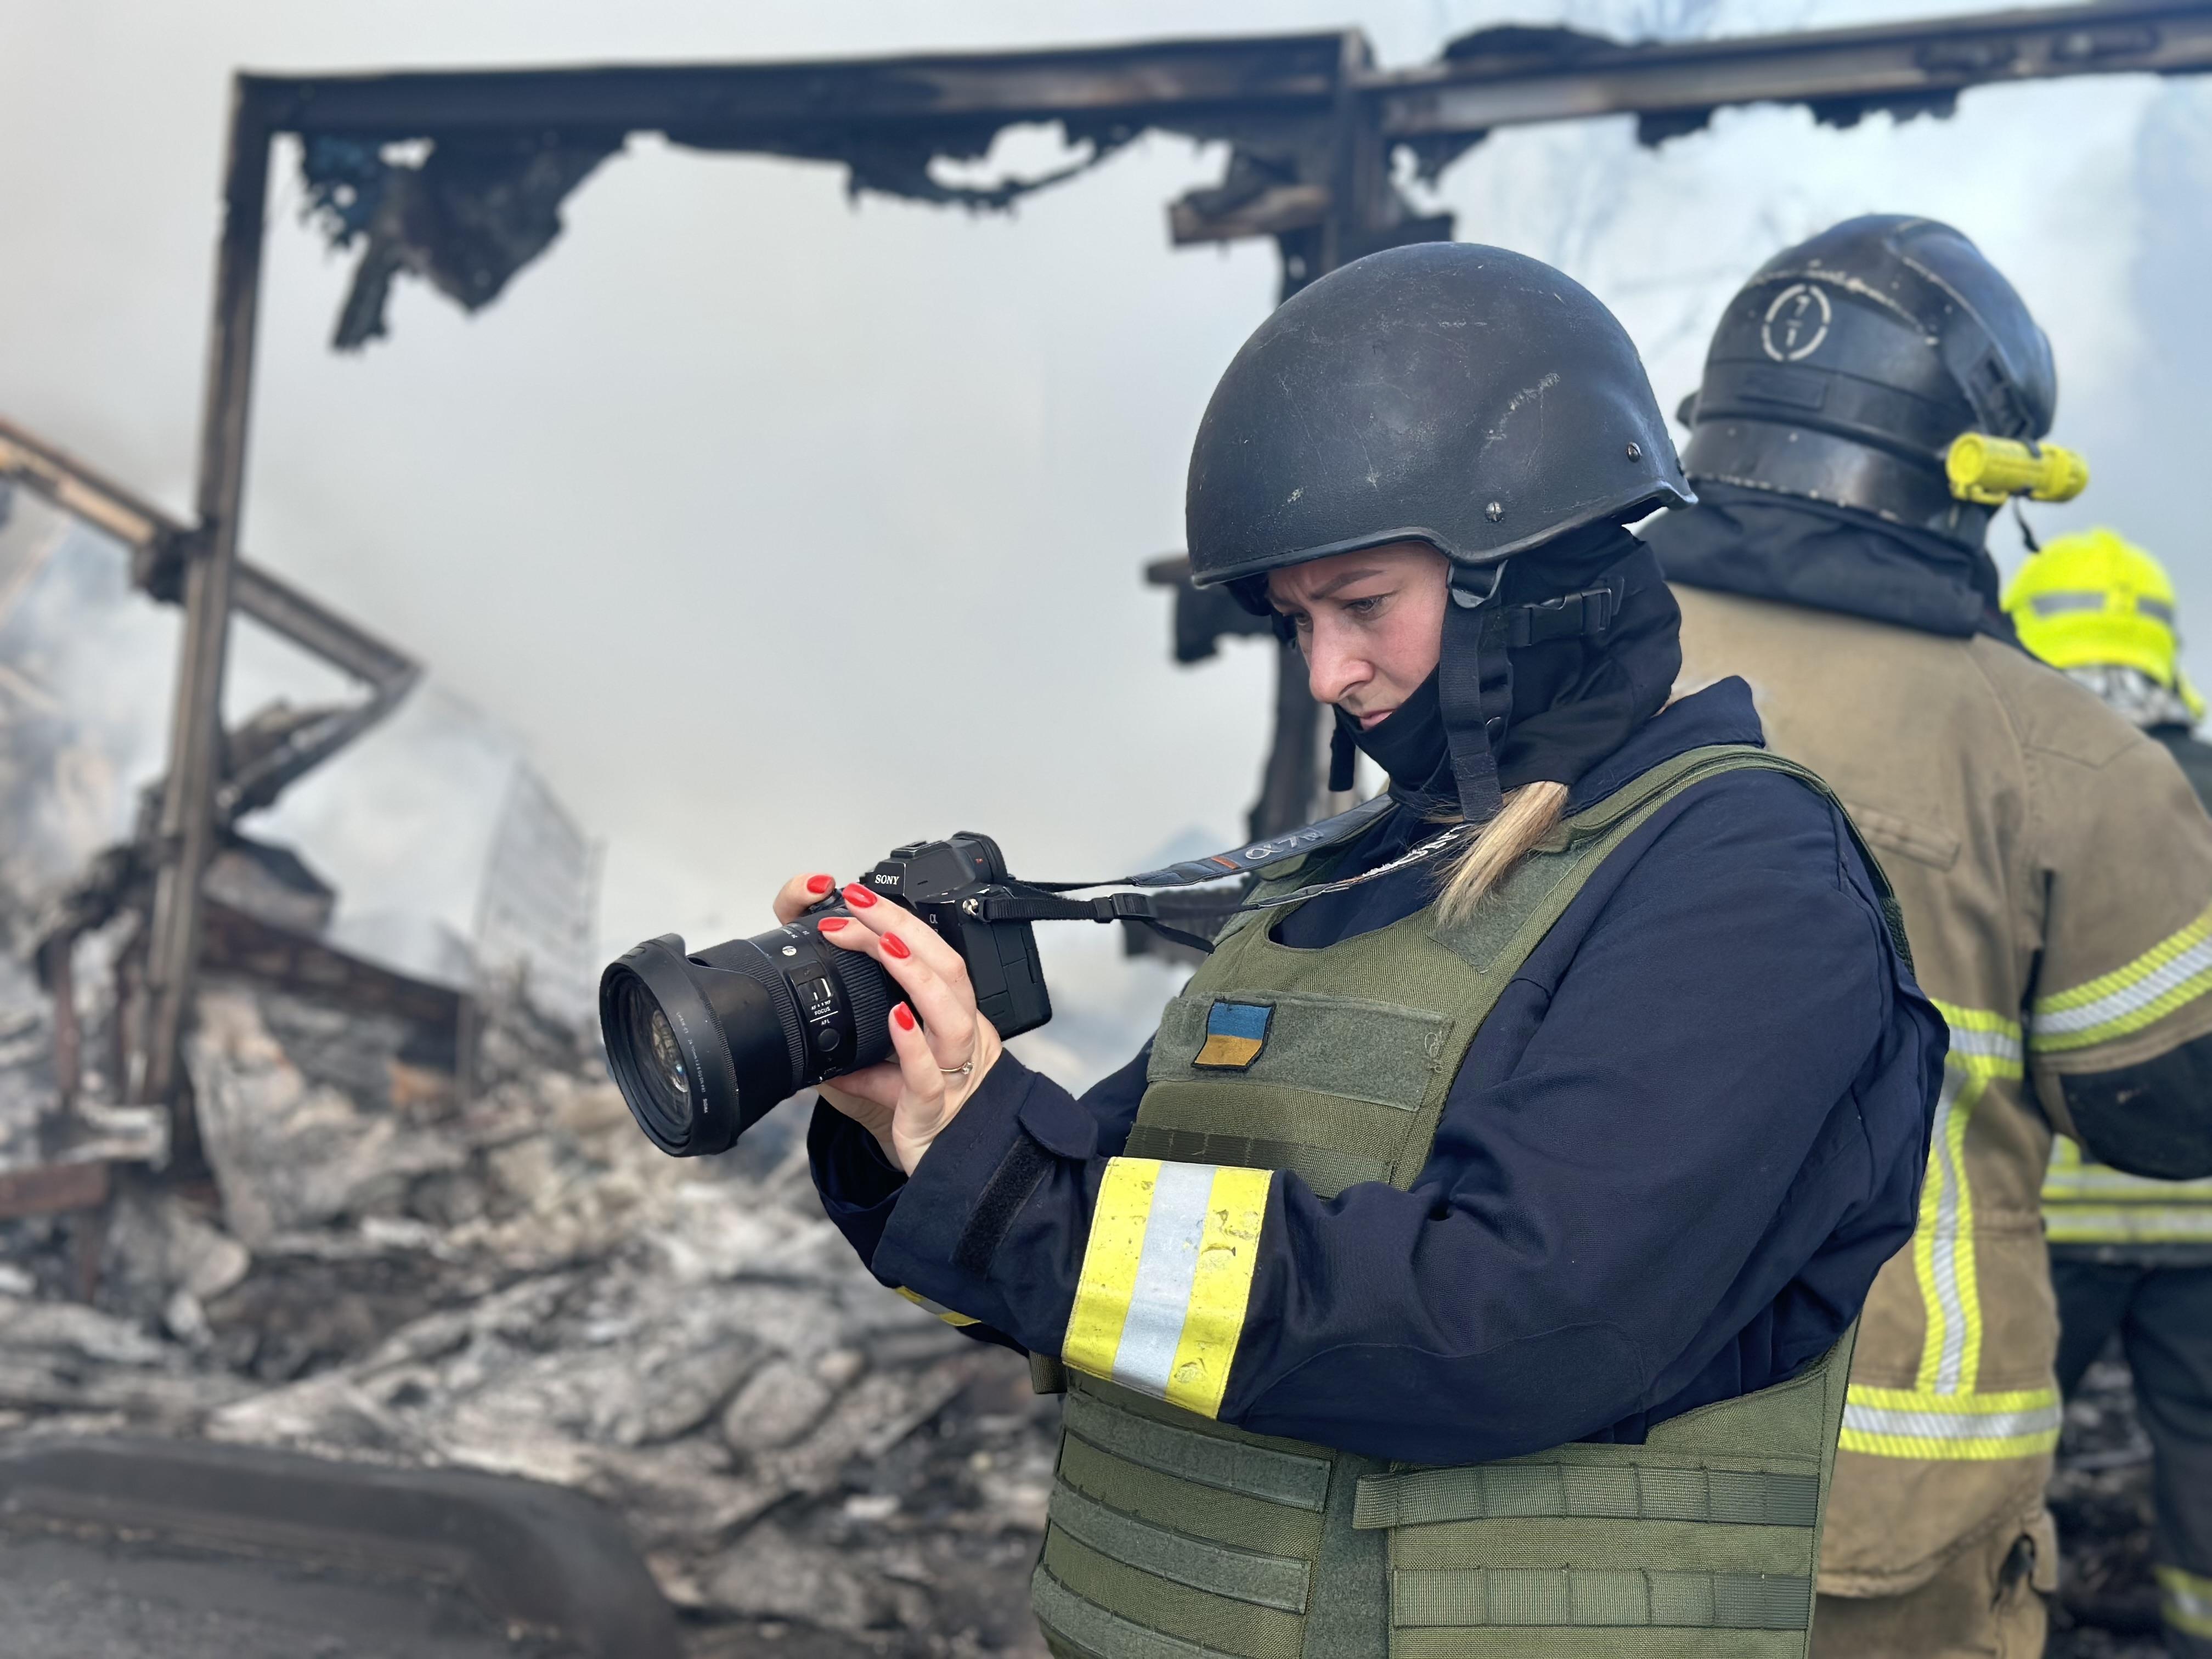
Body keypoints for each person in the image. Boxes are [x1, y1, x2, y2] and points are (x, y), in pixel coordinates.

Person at [794, 241, 1943, 1659]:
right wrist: (915, 1119)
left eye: (1360, 604)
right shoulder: (1348, 880)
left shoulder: (1744, 887)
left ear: (1524, 579)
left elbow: (1506, 1324)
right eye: (1297, 623)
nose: (1328, 674)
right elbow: (1066, 1266)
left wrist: (1017, 1191)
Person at [1646, 215, 2212, 1659]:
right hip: (1881, 1485)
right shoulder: (2058, 759)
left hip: (1534, 1443)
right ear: (1985, 474)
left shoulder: (1553, 667)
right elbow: (2166, 1109)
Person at [2005, 527, 2212, 1658]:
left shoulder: (2023, 792)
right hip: (2203, 1206)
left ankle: (2003, 1625)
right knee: (2205, 1451)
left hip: (2056, 1206)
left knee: (2005, 1450)